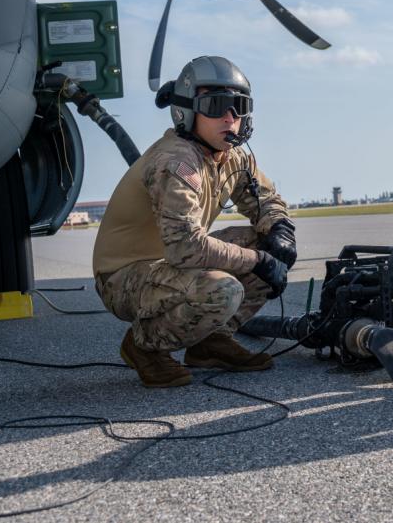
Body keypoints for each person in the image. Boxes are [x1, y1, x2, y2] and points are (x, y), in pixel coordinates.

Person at [93, 56, 295, 387]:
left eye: (239, 106)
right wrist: (259, 261)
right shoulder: (176, 162)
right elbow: (185, 247)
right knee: (225, 288)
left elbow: (265, 200)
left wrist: (280, 229)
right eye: (216, 106)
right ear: (187, 111)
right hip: (125, 277)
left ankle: (210, 341)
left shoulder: (231, 156)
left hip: (170, 265)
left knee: (268, 245)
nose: (230, 118)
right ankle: (145, 345)